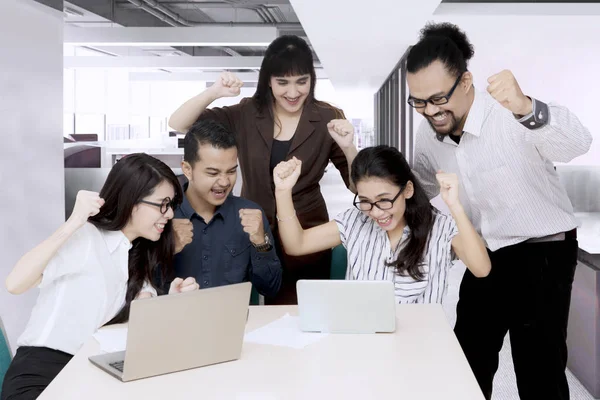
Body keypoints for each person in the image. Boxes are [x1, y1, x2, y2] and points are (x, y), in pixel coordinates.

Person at [407, 22, 593, 400]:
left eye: (438, 98)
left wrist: (526, 106)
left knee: (538, 367)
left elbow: (578, 143)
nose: (430, 110)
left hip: (544, 251)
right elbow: (419, 188)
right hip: (486, 254)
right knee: (466, 359)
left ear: (465, 81)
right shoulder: (429, 132)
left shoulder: (508, 112)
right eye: (419, 101)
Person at [169, 35, 358, 304]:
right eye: (283, 82)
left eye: (301, 82)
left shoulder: (328, 116)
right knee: (245, 311)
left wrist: (350, 148)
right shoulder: (246, 113)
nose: (293, 93)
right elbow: (178, 122)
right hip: (250, 228)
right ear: (268, 80)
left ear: (311, 80)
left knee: (301, 311)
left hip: (305, 232)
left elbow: (356, 184)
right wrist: (214, 92)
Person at [1, 154, 199, 400]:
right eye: (162, 204)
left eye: (171, 205)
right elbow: (15, 283)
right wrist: (74, 221)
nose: (169, 214)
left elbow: (140, 332)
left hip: (88, 373)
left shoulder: (136, 255)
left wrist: (171, 301)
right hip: (43, 376)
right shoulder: (86, 237)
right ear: (132, 201)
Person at [272, 146, 490, 304]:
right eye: (365, 201)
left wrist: (455, 206)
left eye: (384, 200)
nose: (376, 212)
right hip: (364, 343)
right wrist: (282, 191)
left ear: (407, 190)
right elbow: (296, 244)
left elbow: (481, 269)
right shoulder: (355, 220)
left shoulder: (439, 227)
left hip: (421, 345)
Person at [170, 119, 282, 297]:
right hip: (175, 320)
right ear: (187, 169)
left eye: (231, 171)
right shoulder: (164, 216)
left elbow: (270, 288)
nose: (224, 182)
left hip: (233, 321)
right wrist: (167, 249)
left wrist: (261, 243)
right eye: (213, 173)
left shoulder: (250, 214)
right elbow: (142, 291)